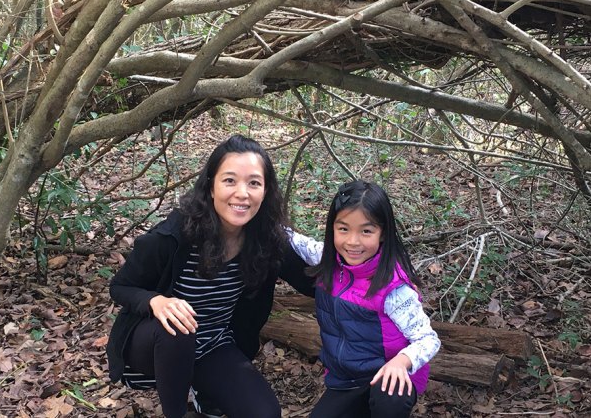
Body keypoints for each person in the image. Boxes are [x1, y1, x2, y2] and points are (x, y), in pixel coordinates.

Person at [106, 134, 315, 418]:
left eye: (254, 183)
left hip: (212, 345)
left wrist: (370, 268)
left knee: (265, 413)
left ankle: (205, 393)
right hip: (155, 344)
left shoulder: (266, 239)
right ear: (211, 187)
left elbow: (310, 281)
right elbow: (120, 286)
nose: (242, 193)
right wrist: (156, 301)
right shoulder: (173, 236)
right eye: (230, 180)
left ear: (265, 191)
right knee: (180, 325)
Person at [300, 180, 441, 418]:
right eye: (343, 229)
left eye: (366, 231)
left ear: (382, 233)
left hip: (390, 374)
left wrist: (402, 361)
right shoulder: (327, 261)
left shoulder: (393, 288)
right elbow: (296, 242)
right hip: (348, 378)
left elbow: (428, 339)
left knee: (389, 402)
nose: (353, 242)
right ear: (332, 228)